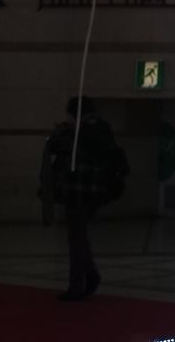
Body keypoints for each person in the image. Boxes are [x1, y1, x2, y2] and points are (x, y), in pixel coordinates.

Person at [45, 96, 123, 301]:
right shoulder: (101, 129)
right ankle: (90, 275)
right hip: (94, 192)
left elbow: (56, 147)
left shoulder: (77, 132)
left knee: (76, 238)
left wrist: (64, 132)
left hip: (78, 190)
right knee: (79, 236)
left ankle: (77, 285)